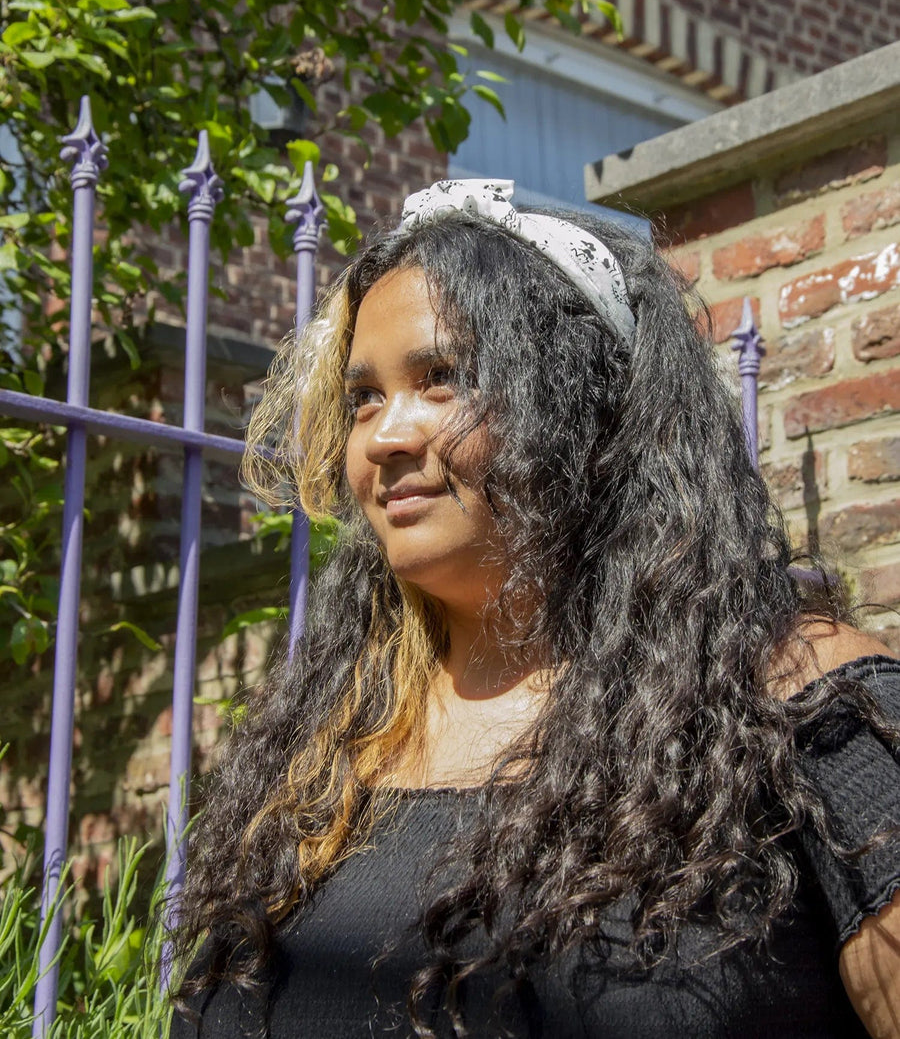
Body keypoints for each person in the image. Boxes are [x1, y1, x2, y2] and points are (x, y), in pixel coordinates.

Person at [169, 179, 900, 1039]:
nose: (384, 435)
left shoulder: (799, 699)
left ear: (584, 407)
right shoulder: (321, 754)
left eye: (442, 378)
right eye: (365, 395)